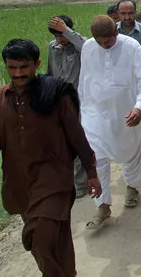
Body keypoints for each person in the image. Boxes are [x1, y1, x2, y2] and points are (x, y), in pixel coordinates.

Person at [0, 39, 102, 277]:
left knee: (40, 238)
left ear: (37, 64)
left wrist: (91, 172)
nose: (18, 74)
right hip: (20, 183)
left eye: (24, 67)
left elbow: (76, 135)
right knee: (56, 241)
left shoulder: (54, 96)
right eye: (12, 68)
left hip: (54, 179)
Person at [79, 16, 141, 229]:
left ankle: (132, 186)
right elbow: (85, 79)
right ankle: (103, 205)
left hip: (127, 111)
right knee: (97, 157)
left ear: (117, 33)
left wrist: (139, 106)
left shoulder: (131, 46)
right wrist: (83, 109)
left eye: (108, 42)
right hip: (96, 113)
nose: (104, 46)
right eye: (99, 42)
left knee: (131, 152)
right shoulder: (88, 47)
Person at [46, 15, 89, 198]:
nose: (60, 40)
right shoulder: (52, 47)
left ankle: (81, 185)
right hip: (59, 101)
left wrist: (67, 32)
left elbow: (86, 47)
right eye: (57, 36)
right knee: (62, 142)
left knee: (78, 139)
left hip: (79, 101)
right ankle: (66, 181)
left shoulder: (81, 45)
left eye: (62, 35)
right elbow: (50, 72)